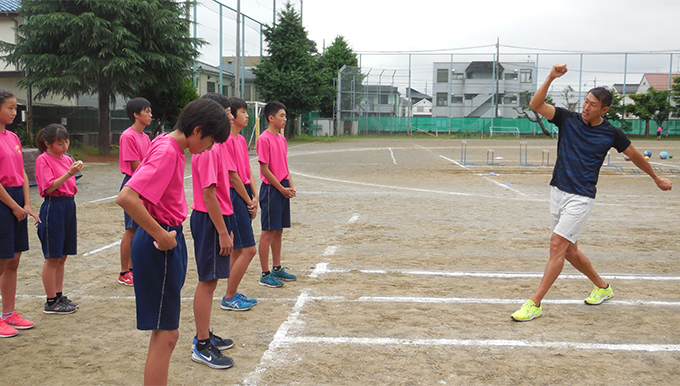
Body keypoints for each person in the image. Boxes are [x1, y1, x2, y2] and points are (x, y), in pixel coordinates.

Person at [511, 64, 673, 322]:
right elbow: (536, 104)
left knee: (556, 247)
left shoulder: (611, 133)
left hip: (581, 197)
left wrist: (655, 178)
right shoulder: (567, 119)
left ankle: (535, 303)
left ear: (604, 109)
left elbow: (635, 156)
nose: (586, 107)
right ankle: (602, 287)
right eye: (585, 102)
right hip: (558, 192)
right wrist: (552, 77)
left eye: (593, 104)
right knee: (570, 251)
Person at [116, 98, 229, 385]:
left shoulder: (167, 143)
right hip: (160, 242)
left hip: (167, 237)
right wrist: (161, 235)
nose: (211, 147)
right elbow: (127, 197)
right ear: (198, 130)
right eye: (212, 140)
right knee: (166, 336)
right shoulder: (167, 150)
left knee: (166, 333)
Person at [189, 92, 236, 369]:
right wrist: (222, 231)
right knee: (207, 281)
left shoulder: (215, 146)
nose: (230, 116)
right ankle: (201, 344)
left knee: (212, 280)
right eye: (227, 112)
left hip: (217, 217)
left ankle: (206, 335)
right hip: (209, 220)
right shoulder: (208, 149)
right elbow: (209, 195)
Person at [0, 90, 38, 337]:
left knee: (14, 260)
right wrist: (13, 206)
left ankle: (8, 313)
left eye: (16, 108)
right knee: (1, 261)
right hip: (3, 201)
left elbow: (22, 173)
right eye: (10, 108)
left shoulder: (12, 136)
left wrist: (26, 204)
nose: (14, 113)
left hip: (16, 199)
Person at [35, 124, 83, 314]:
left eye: (66, 142)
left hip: (68, 205)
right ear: (48, 144)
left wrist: (72, 170)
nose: (65, 146)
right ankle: (50, 300)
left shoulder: (67, 159)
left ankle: (59, 294)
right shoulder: (42, 160)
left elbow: (71, 181)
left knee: (62, 256)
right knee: (52, 256)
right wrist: (69, 173)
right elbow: (48, 188)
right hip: (53, 206)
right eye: (60, 143)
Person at [221, 97, 258, 309]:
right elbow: (233, 177)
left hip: (245, 195)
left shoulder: (242, 140)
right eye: (242, 111)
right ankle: (229, 296)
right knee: (249, 250)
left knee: (238, 249)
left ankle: (231, 292)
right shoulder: (226, 140)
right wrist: (247, 199)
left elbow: (247, 171)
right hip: (235, 196)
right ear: (232, 117)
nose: (246, 115)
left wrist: (254, 197)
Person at [257, 101, 297, 288]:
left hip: (282, 186)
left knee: (278, 230)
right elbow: (264, 170)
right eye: (281, 115)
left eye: (285, 115)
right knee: (267, 232)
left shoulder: (282, 139)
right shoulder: (264, 139)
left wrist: (290, 184)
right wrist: (280, 189)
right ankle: (265, 274)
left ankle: (277, 267)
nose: (285, 119)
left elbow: (284, 164)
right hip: (271, 189)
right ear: (271, 118)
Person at [117, 97, 152, 286]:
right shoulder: (128, 136)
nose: (150, 114)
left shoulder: (146, 137)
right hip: (134, 183)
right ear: (136, 114)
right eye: (146, 111)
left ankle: (135, 267)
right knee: (131, 229)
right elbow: (136, 165)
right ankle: (124, 271)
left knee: (141, 228)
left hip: (144, 183)